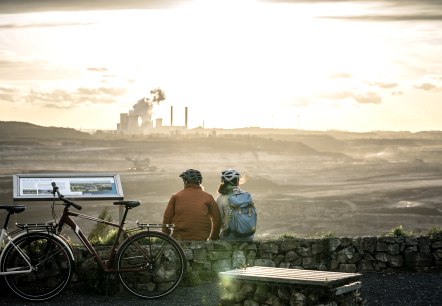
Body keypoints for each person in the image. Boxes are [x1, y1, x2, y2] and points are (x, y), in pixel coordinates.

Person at [162, 169, 221, 241]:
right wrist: (214, 237)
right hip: (202, 238)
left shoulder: (176, 196)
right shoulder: (208, 197)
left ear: (185, 181)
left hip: (179, 238)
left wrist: (165, 235)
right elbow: (217, 219)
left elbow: (167, 219)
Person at [216, 169, 255, 241]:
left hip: (230, 238)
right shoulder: (246, 196)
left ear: (223, 182)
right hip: (248, 237)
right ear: (237, 182)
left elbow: (219, 220)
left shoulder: (221, 198)